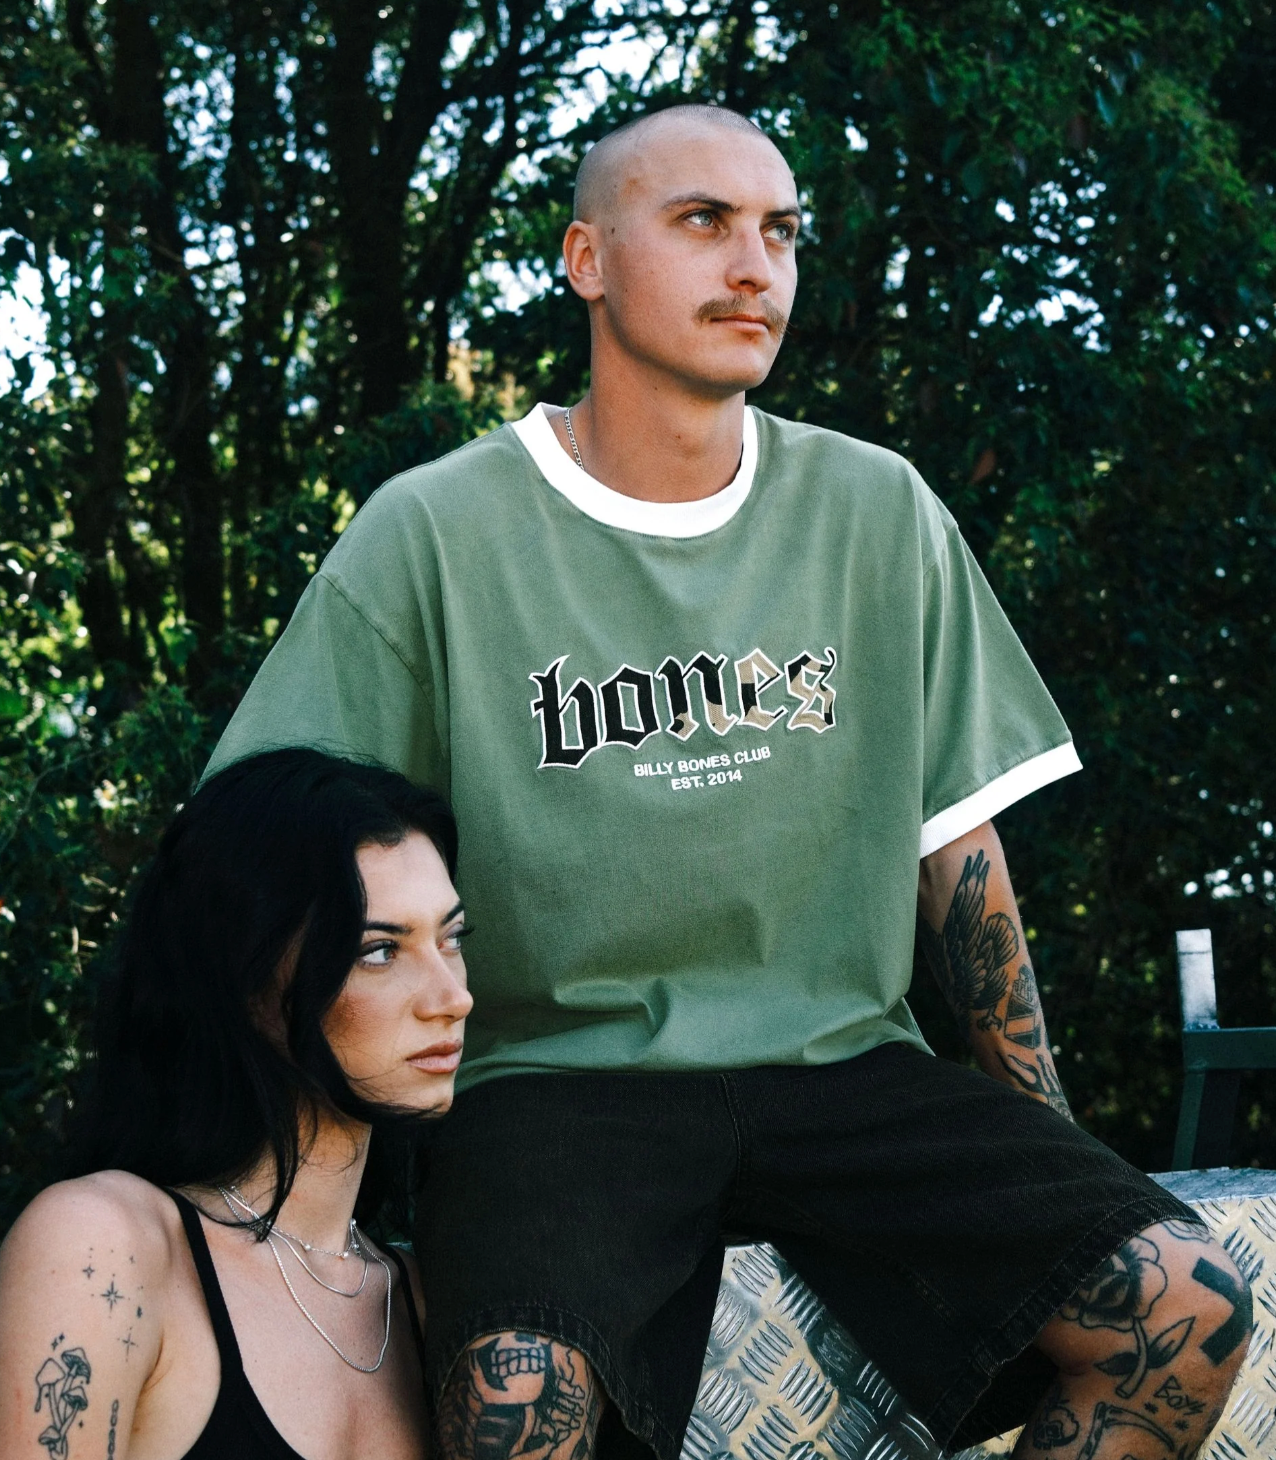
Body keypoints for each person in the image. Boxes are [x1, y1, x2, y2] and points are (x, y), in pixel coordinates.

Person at [205, 107, 1252, 1460]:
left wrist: (1051, 1158)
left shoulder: (878, 510)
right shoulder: (437, 530)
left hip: (845, 1065)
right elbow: (278, 854)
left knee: (1189, 1299)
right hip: (552, 1076)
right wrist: (281, 1176)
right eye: (705, 221)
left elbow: (961, 860)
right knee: (518, 1394)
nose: (755, 264)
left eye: (783, 232)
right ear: (586, 257)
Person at [0, 749, 472, 1460]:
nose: (453, 998)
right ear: (248, 978)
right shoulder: (105, 1247)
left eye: (452, 939)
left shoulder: (427, 1302)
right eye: (379, 951)